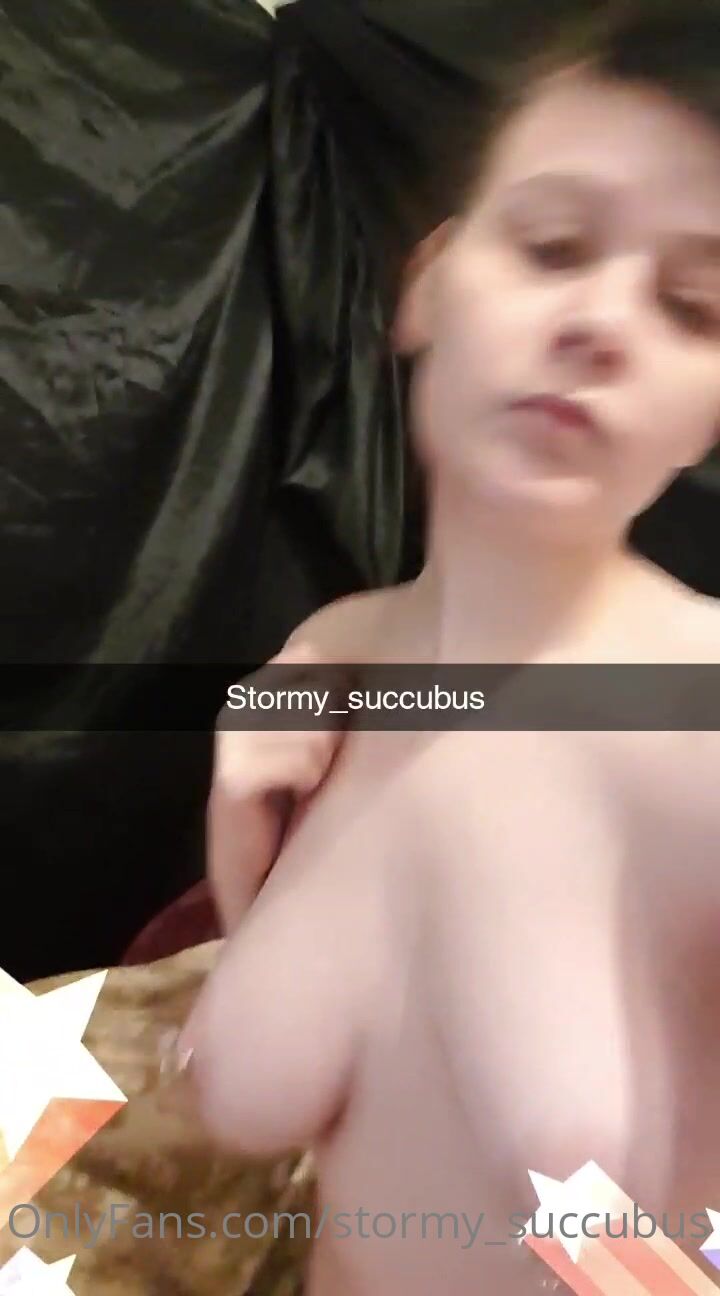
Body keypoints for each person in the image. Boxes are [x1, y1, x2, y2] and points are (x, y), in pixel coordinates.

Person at [182, 4, 720, 1292]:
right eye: (552, 245)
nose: (602, 321)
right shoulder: (334, 662)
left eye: (693, 306)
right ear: (428, 283)